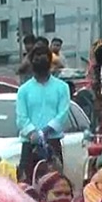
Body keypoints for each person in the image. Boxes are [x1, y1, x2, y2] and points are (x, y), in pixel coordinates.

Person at [14, 44, 69, 181]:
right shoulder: (23, 90)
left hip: (52, 142)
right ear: (31, 62)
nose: (40, 60)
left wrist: (45, 131)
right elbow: (21, 117)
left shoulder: (62, 87)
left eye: (43, 57)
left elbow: (63, 113)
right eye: (36, 57)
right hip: (30, 144)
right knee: (27, 184)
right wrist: (33, 133)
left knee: (55, 183)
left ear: (50, 61)